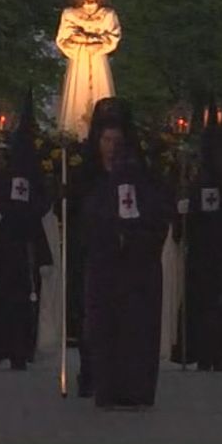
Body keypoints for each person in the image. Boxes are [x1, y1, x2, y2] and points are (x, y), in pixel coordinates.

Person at [78, 98, 173, 409]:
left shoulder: (142, 177)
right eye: (105, 140)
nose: (110, 147)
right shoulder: (88, 176)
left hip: (137, 267)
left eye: (117, 141)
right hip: (102, 262)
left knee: (135, 328)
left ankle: (135, 389)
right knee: (101, 326)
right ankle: (101, 384)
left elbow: (156, 214)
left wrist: (135, 240)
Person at [0, 95, 53, 370]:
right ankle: (0, 347)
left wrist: (30, 214)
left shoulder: (34, 175)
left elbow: (44, 201)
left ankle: (21, 348)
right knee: (3, 292)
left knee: (24, 295)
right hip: (8, 237)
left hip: (27, 240)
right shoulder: (5, 173)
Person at [177, 106, 222, 371]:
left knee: (216, 305)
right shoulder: (210, 184)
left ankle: (215, 353)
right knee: (209, 305)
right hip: (208, 254)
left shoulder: (219, 185)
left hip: (218, 254)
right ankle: (209, 352)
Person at [55, 0, 121, 140]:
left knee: (101, 92)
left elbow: (113, 36)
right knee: (78, 96)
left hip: (97, 59)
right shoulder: (70, 13)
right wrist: (85, 41)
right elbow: (63, 38)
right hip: (80, 60)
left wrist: (90, 40)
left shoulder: (107, 14)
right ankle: (75, 136)